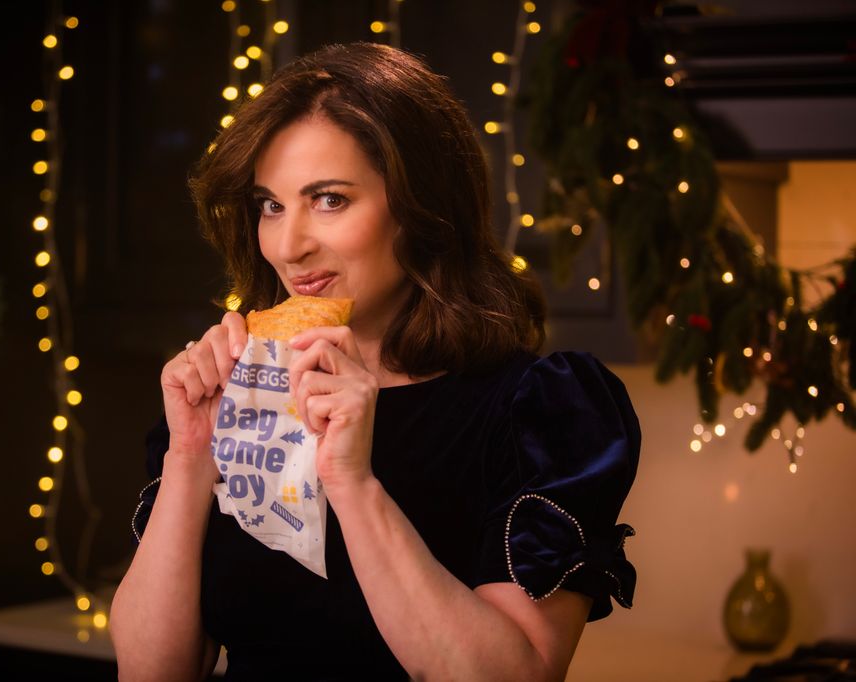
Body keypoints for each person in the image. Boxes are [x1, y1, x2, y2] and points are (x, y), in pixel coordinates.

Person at [110, 42, 639, 681]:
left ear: (423, 208)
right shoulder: (234, 395)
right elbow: (151, 671)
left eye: (329, 199)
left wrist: (353, 484)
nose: (288, 245)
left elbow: (513, 675)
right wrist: (191, 456)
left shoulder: (541, 414)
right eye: (270, 205)